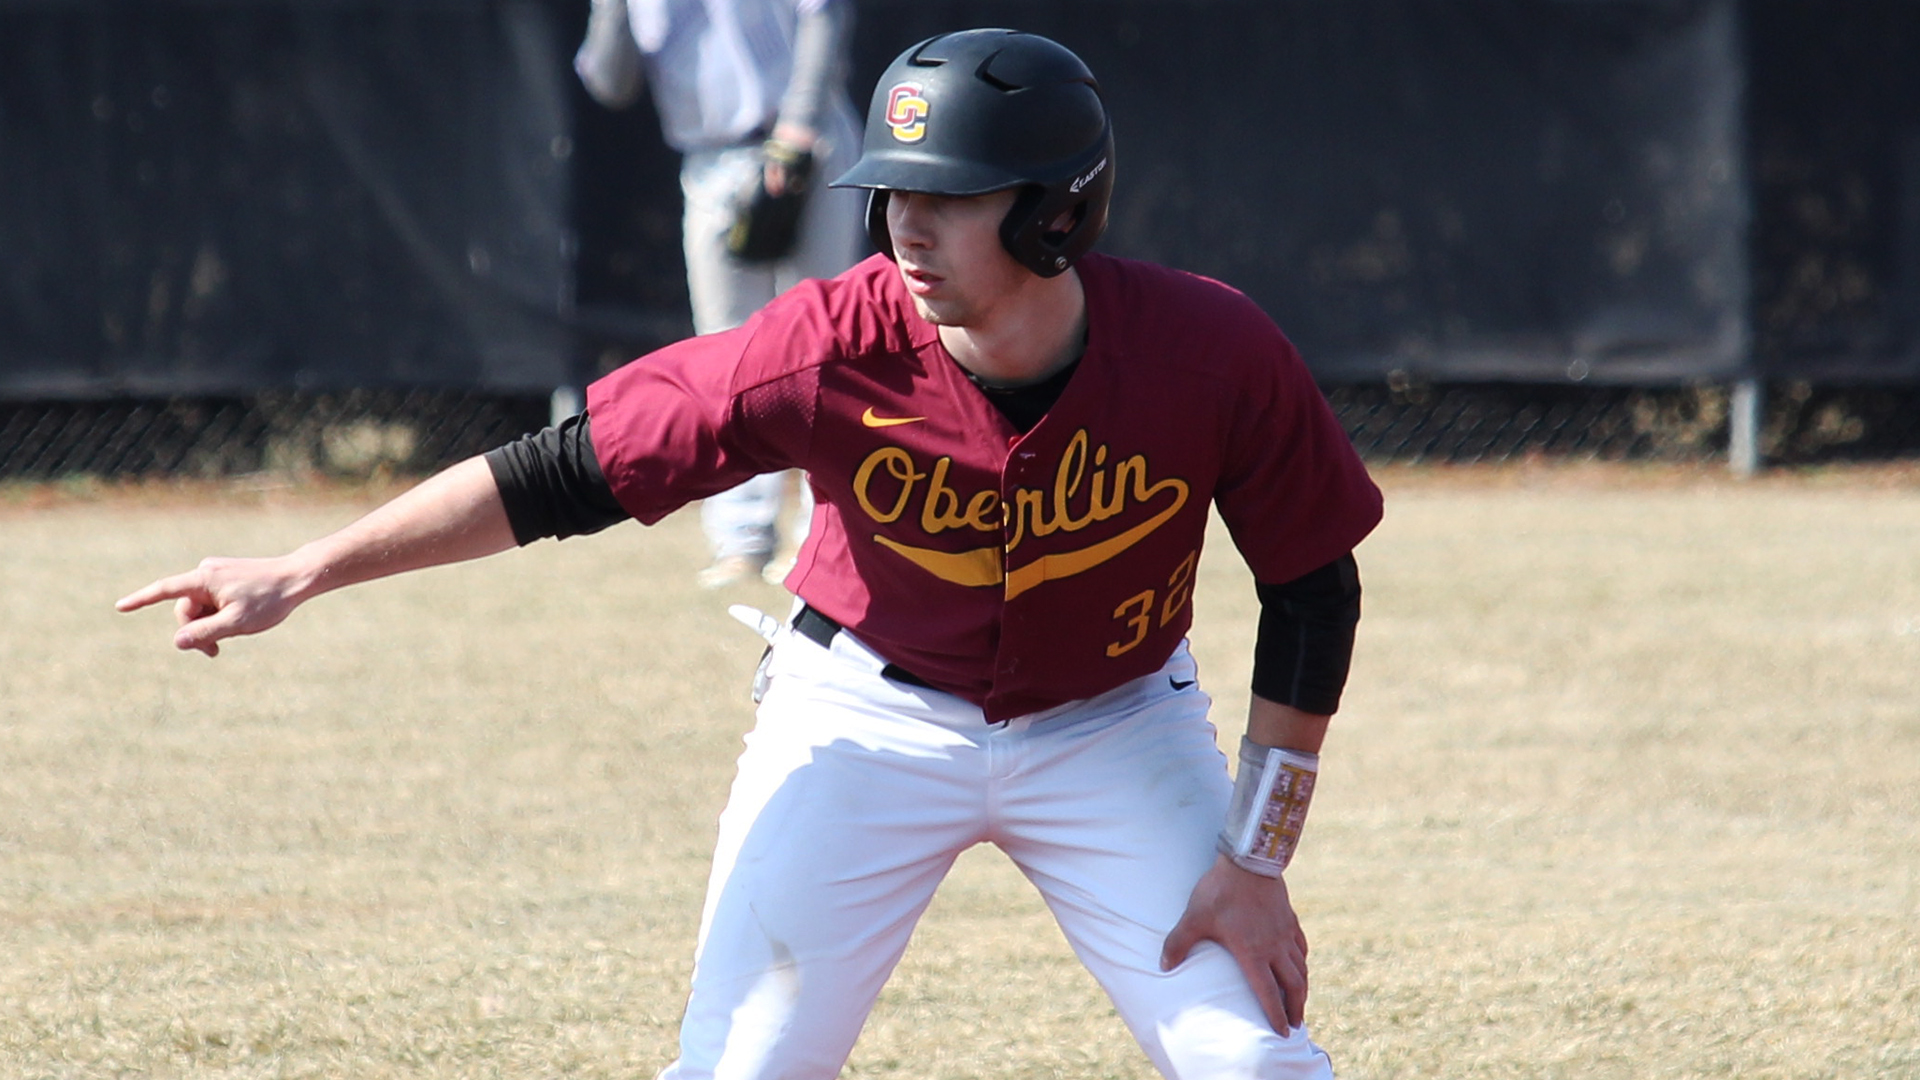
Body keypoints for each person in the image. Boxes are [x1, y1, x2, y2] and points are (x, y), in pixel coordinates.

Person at [118, 29, 1382, 1079]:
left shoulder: (1212, 351)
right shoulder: (827, 343)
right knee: (740, 1069)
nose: (903, 225)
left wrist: (1255, 860)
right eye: (893, 189)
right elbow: (566, 472)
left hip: (1115, 731)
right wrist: (308, 567)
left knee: (1262, 1065)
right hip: (864, 722)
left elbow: (1313, 589)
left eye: (947, 194)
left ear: (1058, 213)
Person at [575, 0, 868, 587]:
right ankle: (742, 538)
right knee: (729, 356)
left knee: (827, 345)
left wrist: (800, 124)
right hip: (710, 160)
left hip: (806, 144)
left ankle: (828, 535)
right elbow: (610, 84)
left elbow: (825, 16)